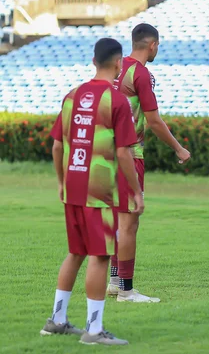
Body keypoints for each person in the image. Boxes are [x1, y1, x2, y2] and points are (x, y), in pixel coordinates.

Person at [40, 38, 144, 345]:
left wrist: (61, 180)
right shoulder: (117, 100)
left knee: (76, 252)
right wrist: (136, 192)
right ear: (118, 63)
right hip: (98, 189)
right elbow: (125, 153)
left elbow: (58, 145)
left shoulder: (73, 95)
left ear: (93, 60)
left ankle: (57, 321)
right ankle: (94, 330)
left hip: (72, 184)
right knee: (100, 256)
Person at [106, 23, 191, 303]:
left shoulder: (115, 69)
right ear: (153, 45)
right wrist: (179, 148)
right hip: (130, 155)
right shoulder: (141, 74)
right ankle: (127, 291)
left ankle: (115, 281)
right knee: (130, 222)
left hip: (106, 154)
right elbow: (153, 120)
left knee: (120, 220)